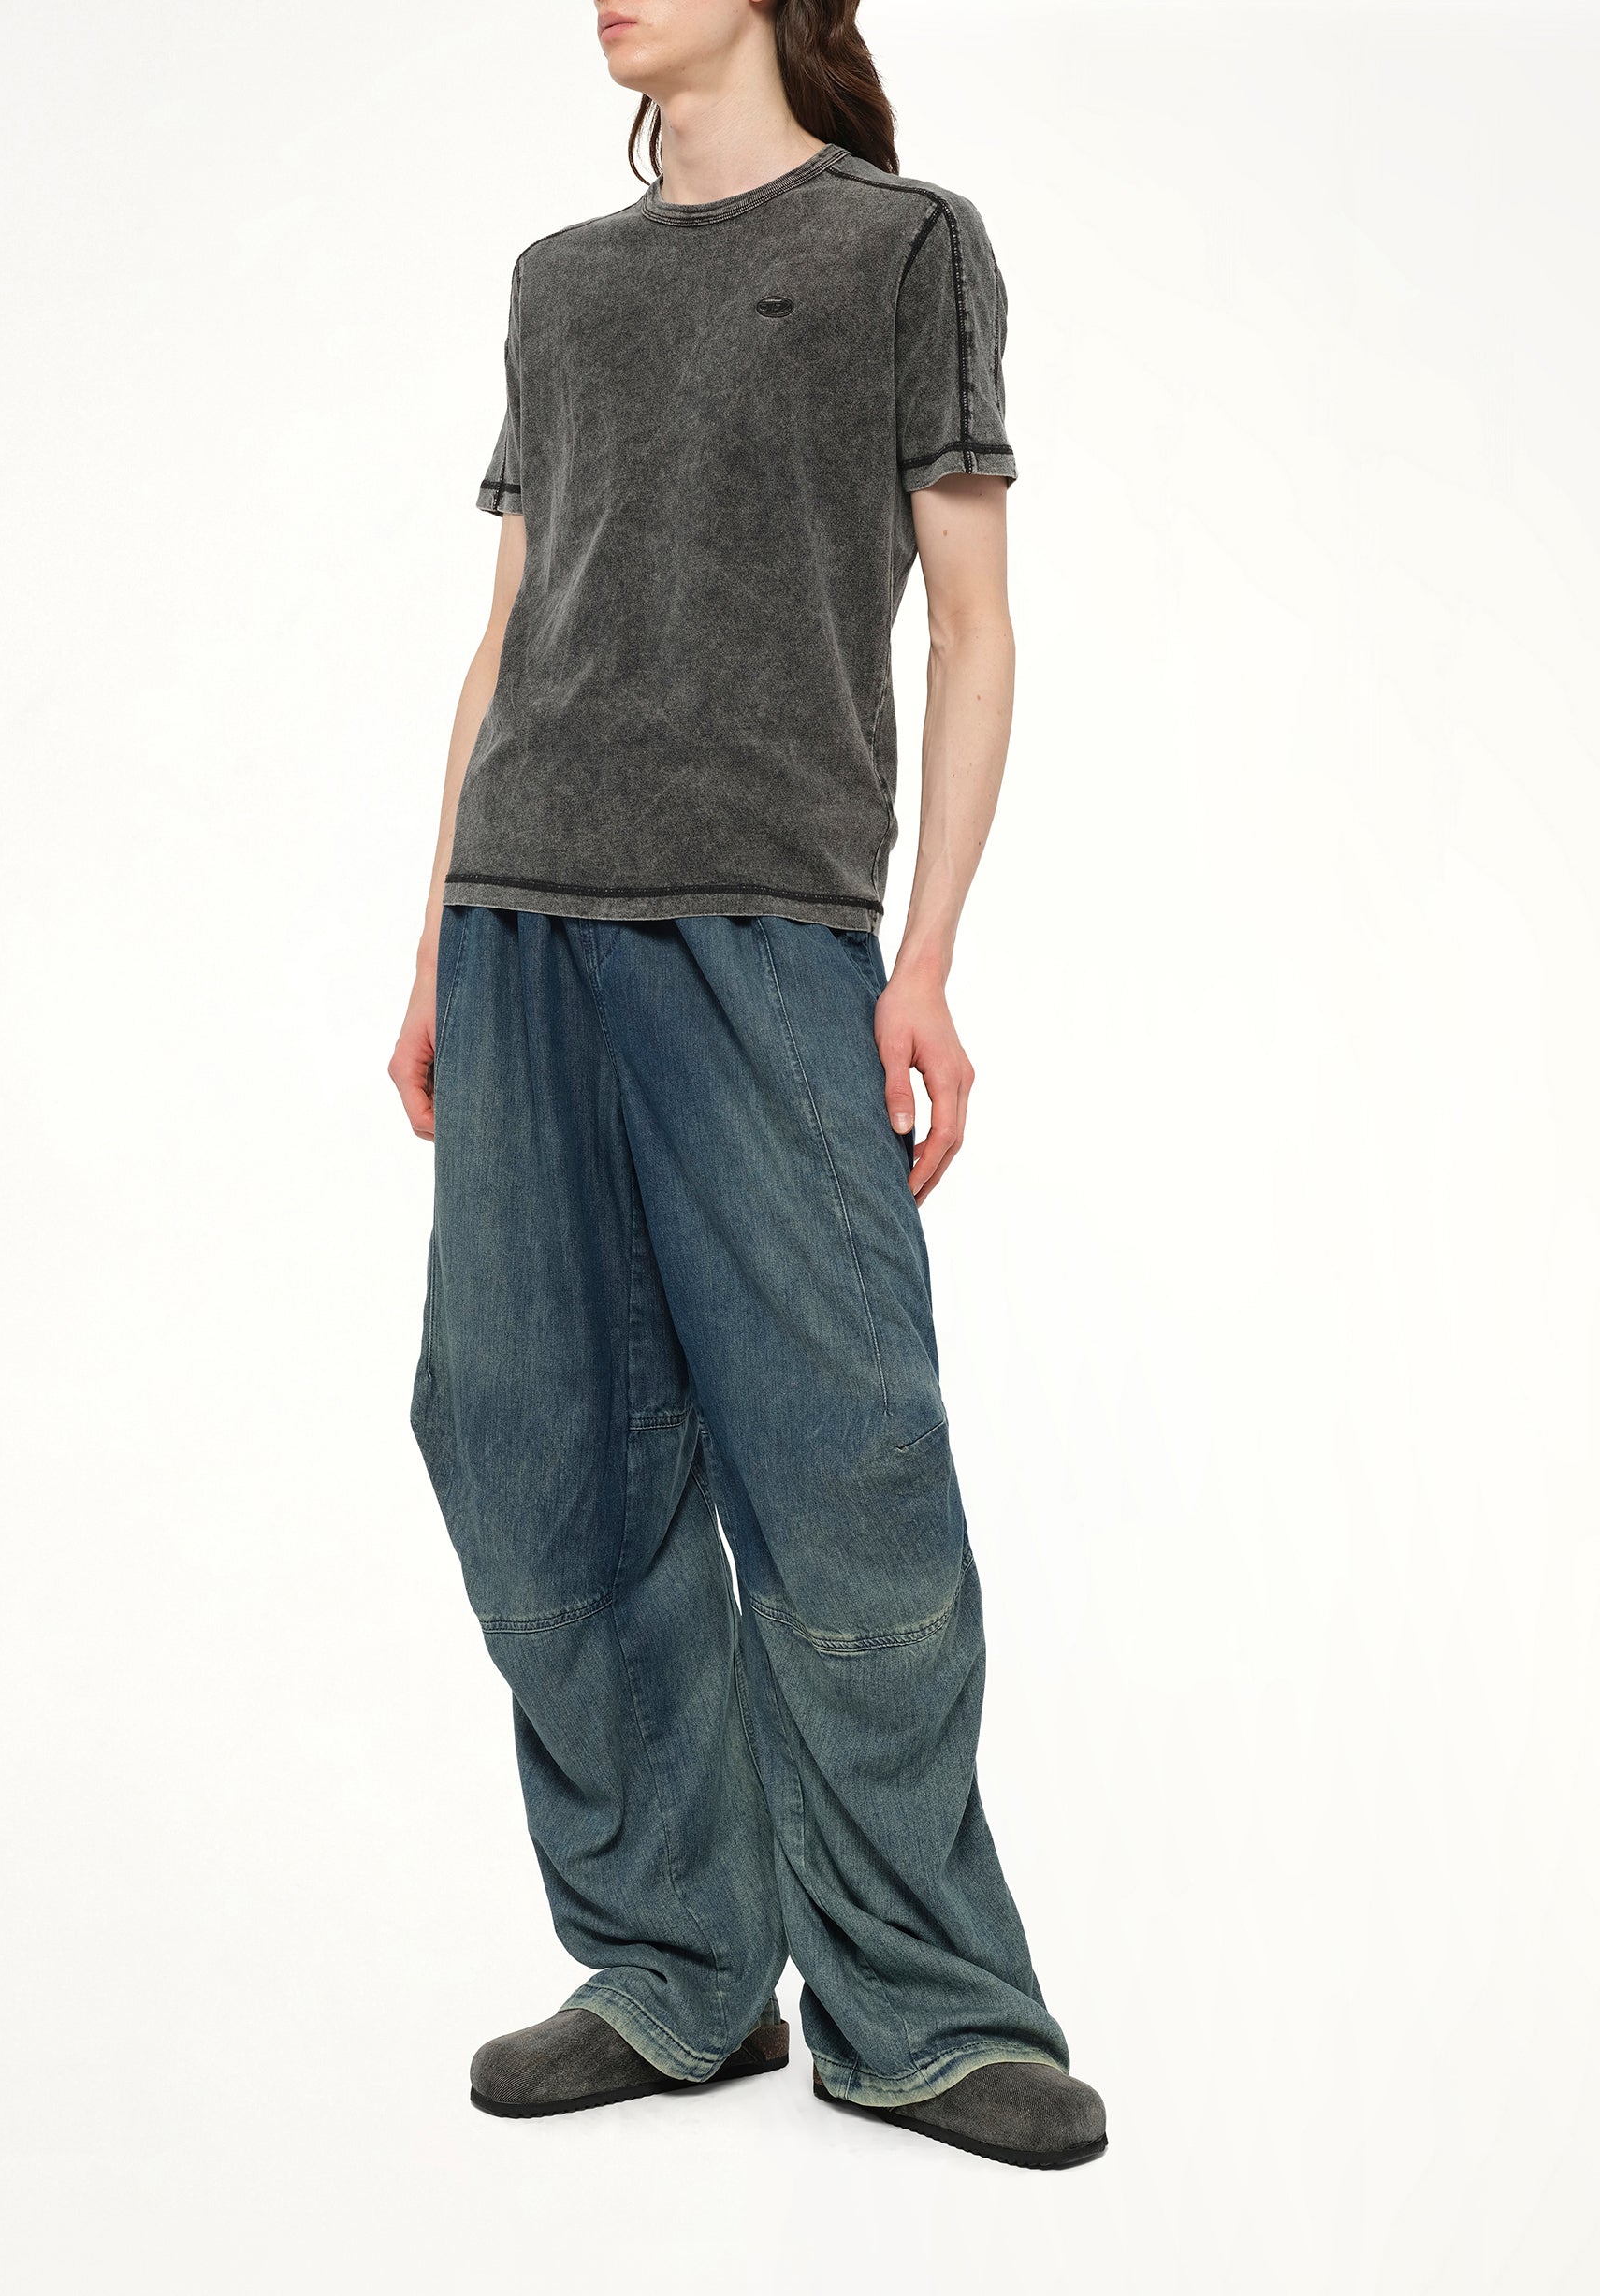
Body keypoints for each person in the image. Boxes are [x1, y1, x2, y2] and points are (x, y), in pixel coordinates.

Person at [389, 0, 1107, 2172]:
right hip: (522, 917)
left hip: (767, 924)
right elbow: (509, 629)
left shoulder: (904, 247)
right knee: (531, 1444)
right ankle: (673, 1969)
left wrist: (926, 960)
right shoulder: (558, 282)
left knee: (840, 1450)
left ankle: (924, 2004)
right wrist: (430, 946)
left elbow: (969, 628)